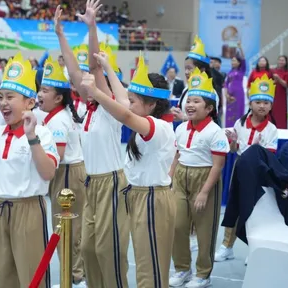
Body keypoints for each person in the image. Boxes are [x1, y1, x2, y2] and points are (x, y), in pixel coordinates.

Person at [84, 52, 177, 287]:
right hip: (138, 196)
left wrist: (96, 91)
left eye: (135, 100)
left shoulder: (157, 126)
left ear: (152, 104)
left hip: (152, 199)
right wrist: (107, 67)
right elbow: (125, 101)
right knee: (144, 262)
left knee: (150, 268)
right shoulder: (145, 117)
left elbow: (124, 112)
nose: (128, 102)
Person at [0, 52, 59, 288]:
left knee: (32, 275)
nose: (3, 103)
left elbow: (48, 173)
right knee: (2, 275)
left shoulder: (42, 133)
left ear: (29, 102)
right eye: (0, 97)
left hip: (28, 209)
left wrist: (31, 137)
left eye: (10, 97)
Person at [68, 2, 130, 286]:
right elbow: (74, 71)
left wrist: (92, 27)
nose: (86, 80)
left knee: (109, 250)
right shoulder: (86, 112)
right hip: (91, 183)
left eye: (93, 78)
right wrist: (59, 34)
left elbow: (94, 64)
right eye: (84, 80)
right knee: (88, 248)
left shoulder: (108, 107)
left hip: (112, 183)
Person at [169, 67, 229, 288]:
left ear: (210, 108)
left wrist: (204, 192)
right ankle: (182, 269)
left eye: (196, 101)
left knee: (205, 231)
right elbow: (177, 154)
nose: (190, 105)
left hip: (205, 178)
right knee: (178, 226)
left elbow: (218, 165)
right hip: (181, 177)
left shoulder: (215, 132)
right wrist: (170, 177)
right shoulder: (182, 128)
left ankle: (203, 274)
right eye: (189, 101)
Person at [215, 74, 278, 263]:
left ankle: (254, 249)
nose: (262, 106)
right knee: (234, 206)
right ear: (250, 103)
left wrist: (257, 149)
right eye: (258, 101)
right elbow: (235, 150)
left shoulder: (271, 129)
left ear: (271, 106)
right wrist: (233, 143)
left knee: (253, 210)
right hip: (239, 167)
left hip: (258, 172)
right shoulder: (240, 123)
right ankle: (227, 246)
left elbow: (269, 157)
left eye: (266, 103)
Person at [37, 56, 86, 286]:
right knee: (72, 224)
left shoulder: (57, 121)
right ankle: (77, 272)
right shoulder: (60, 115)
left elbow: (57, 156)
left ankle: (73, 275)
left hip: (67, 173)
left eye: (45, 90)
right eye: (40, 89)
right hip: (71, 173)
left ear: (58, 97)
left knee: (65, 225)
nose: (39, 94)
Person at [223, 41, 246, 127]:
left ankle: (238, 130)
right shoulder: (229, 72)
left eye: (234, 61)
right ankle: (228, 131)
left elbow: (243, 58)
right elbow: (225, 84)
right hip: (229, 97)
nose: (232, 62)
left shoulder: (241, 70)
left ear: (239, 62)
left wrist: (240, 47)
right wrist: (226, 95)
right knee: (229, 114)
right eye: (232, 61)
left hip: (238, 95)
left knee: (238, 113)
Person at [272, 55, 288, 129]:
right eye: (280, 60)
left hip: (282, 95)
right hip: (273, 94)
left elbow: (286, 85)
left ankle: (282, 129)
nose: (281, 62)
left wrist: (279, 79)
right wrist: (275, 81)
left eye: (283, 60)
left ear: (286, 62)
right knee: (272, 112)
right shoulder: (273, 71)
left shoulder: (287, 72)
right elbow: (270, 82)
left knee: (281, 113)